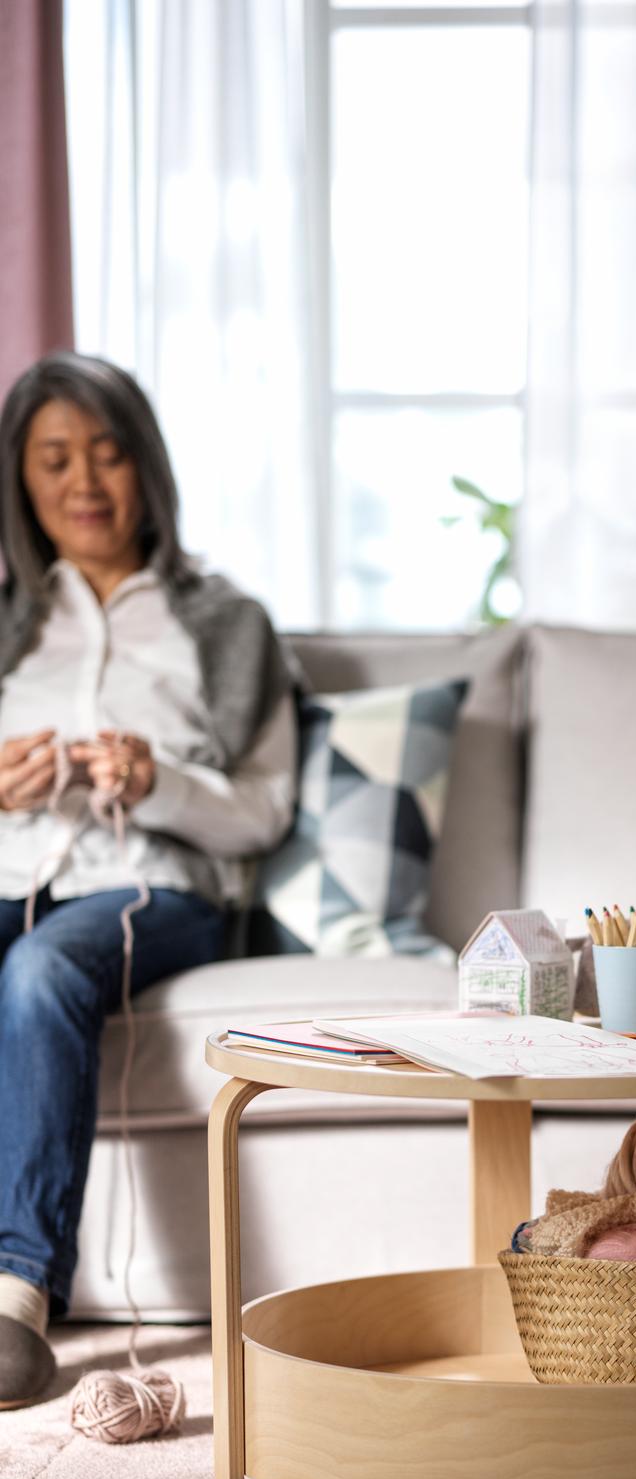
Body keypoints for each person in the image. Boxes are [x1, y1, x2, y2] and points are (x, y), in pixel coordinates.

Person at [0, 352, 298, 1408]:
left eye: (107, 453)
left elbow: (262, 810)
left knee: (42, 971)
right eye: (54, 459)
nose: (83, 481)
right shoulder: (10, 619)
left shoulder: (225, 624)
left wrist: (156, 779)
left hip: (154, 892)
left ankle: (17, 1299)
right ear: (21, 479)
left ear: (148, 467)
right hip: (16, 872)